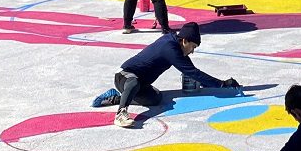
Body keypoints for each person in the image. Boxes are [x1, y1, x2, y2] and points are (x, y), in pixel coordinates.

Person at [90, 22, 238, 127]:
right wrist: (222, 84)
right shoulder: (170, 48)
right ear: (185, 40)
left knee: (155, 99)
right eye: (192, 47)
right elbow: (192, 72)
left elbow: (191, 70)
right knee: (134, 82)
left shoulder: (176, 43)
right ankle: (121, 114)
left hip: (141, 84)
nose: (192, 51)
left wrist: (214, 84)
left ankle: (116, 97)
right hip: (125, 76)